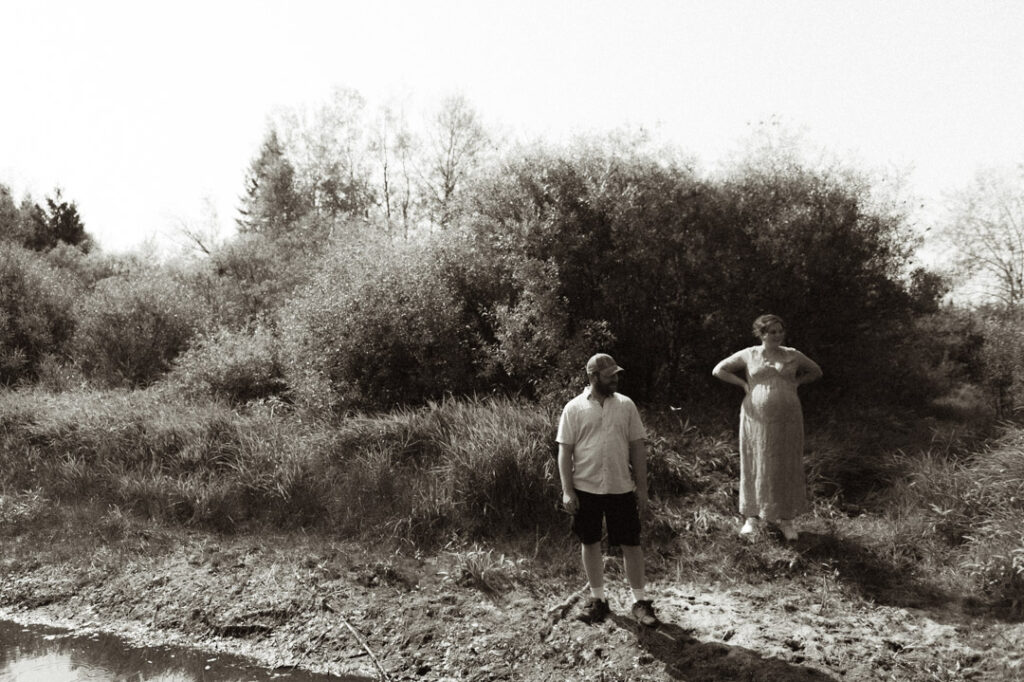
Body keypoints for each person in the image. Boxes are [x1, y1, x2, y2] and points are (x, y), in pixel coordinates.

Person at [557, 352, 658, 627]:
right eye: (609, 375)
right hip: (585, 487)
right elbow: (564, 453)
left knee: (631, 544)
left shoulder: (626, 405)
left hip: (620, 487)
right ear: (593, 377)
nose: (615, 379)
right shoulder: (574, 408)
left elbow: (638, 448)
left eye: (616, 374)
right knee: (589, 542)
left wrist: (642, 488)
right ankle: (598, 601)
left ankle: (640, 602)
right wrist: (568, 491)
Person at [712, 314, 822, 541]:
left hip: (788, 417)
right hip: (757, 418)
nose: (777, 335)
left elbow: (816, 371)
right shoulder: (749, 354)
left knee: (786, 461)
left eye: (780, 331)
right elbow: (719, 370)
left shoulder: (793, 354)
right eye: (772, 331)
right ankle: (752, 517)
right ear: (761, 334)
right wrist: (743, 384)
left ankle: (786, 519)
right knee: (756, 459)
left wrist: (796, 383)